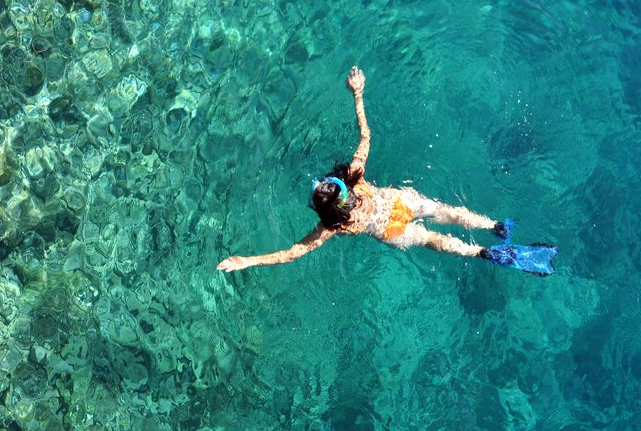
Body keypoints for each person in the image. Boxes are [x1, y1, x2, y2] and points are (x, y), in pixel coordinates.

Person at [216, 67, 557, 277]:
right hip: (399, 202)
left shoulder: (331, 227)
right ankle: (495, 226)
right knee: (449, 214)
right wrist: (358, 94)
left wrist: (248, 260)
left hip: (390, 229)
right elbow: (366, 135)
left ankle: (484, 253)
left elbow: (293, 252)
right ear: (341, 187)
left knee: (437, 241)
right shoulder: (356, 175)